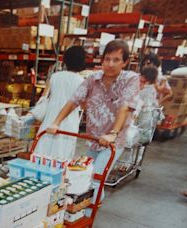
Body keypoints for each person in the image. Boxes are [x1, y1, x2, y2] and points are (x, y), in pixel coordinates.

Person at [47, 39, 140, 209]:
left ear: (125, 62)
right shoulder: (92, 79)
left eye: (116, 60)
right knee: (87, 175)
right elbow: (73, 101)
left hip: (113, 141)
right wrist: (56, 122)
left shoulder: (130, 79)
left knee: (95, 178)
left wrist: (113, 133)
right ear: (101, 60)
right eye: (107, 59)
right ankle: (94, 205)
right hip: (93, 137)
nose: (110, 64)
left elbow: (125, 107)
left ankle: (87, 214)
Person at [31, 46, 86, 160]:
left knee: (43, 153)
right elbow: (83, 104)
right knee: (61, 156)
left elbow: (44, 96)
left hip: (50, 120)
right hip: (69, 123)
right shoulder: (81, 81)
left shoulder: (55, 77)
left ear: (65, 60)